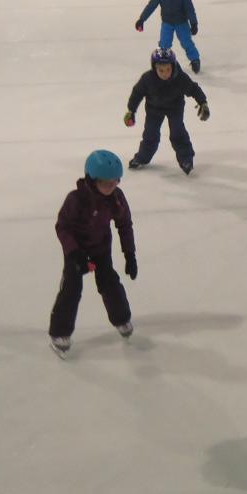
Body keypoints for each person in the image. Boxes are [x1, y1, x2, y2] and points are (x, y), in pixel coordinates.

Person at [48, 150, 138, 357]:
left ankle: (121, 318)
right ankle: (59, 333)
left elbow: (125, 224)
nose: (111, 187)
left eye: (115, 182)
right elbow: (62, 227)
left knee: (110, 283)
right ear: (92, 179)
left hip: (100, 248)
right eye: (106, 183)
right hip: (77, 250)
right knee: (72, 288)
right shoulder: (76, 199)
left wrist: (130, 254)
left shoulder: (116, 198)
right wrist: (73, 253)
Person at [124, 47, 210, 175]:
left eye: (168, 69)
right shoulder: (148, 79)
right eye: (161, 70)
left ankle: (186, 160)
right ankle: (142, 158)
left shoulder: (180, 78)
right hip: (154, 110)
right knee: (150, 134)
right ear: (154, 68)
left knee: (177, 133)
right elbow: (137, 93)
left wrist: (203, 103)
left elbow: (193, 89)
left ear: (173, 66)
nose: (165, 73)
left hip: (175, 108)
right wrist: (131, 111)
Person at [135, 0, 201, 73]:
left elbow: (190, 9)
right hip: (167, 24)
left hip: (181, 23)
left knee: (186, 42)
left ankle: (195, 60)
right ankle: (163, 62)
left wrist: (194, 23)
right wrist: (142, 19)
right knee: (164, 44)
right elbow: (151, 6)